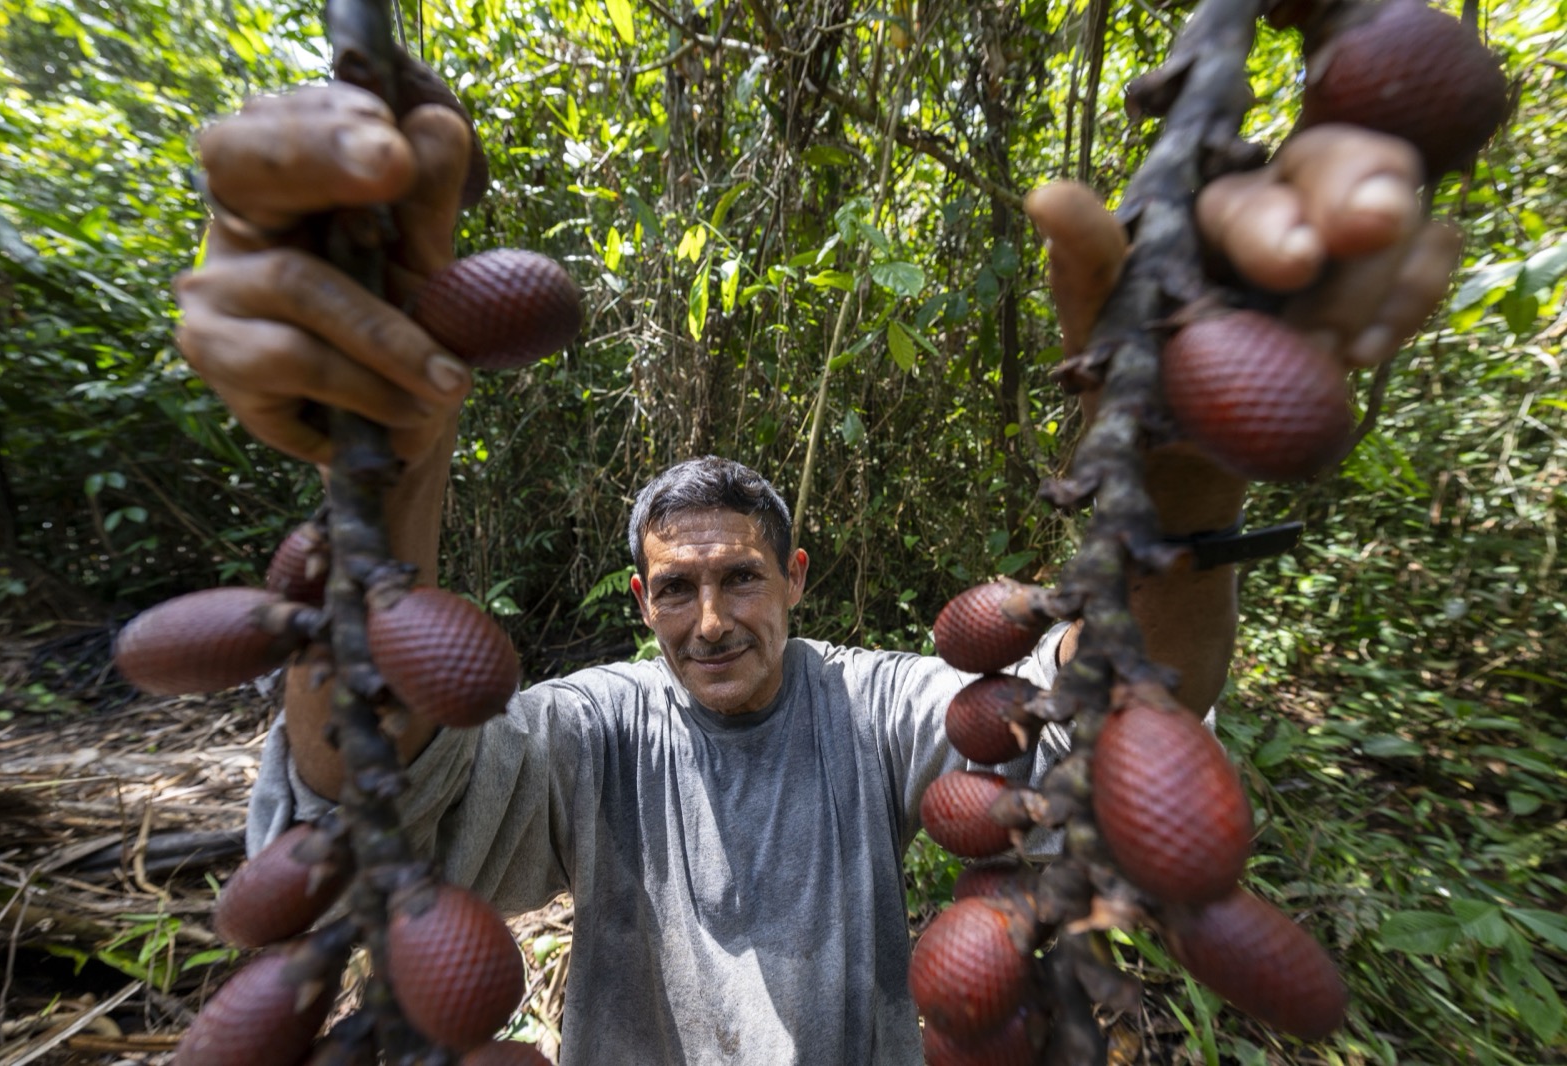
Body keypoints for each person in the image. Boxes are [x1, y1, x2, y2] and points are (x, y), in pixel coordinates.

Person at [176, 76, 1459, 1065]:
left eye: (740, 579)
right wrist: (389, 474)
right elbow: (380, 798)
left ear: (794, 578)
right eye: (675, 590)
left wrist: (1177, 492)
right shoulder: (600, 725)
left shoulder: (876, 704)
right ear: (640, 605)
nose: (711, 617)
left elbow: (1112, 748)